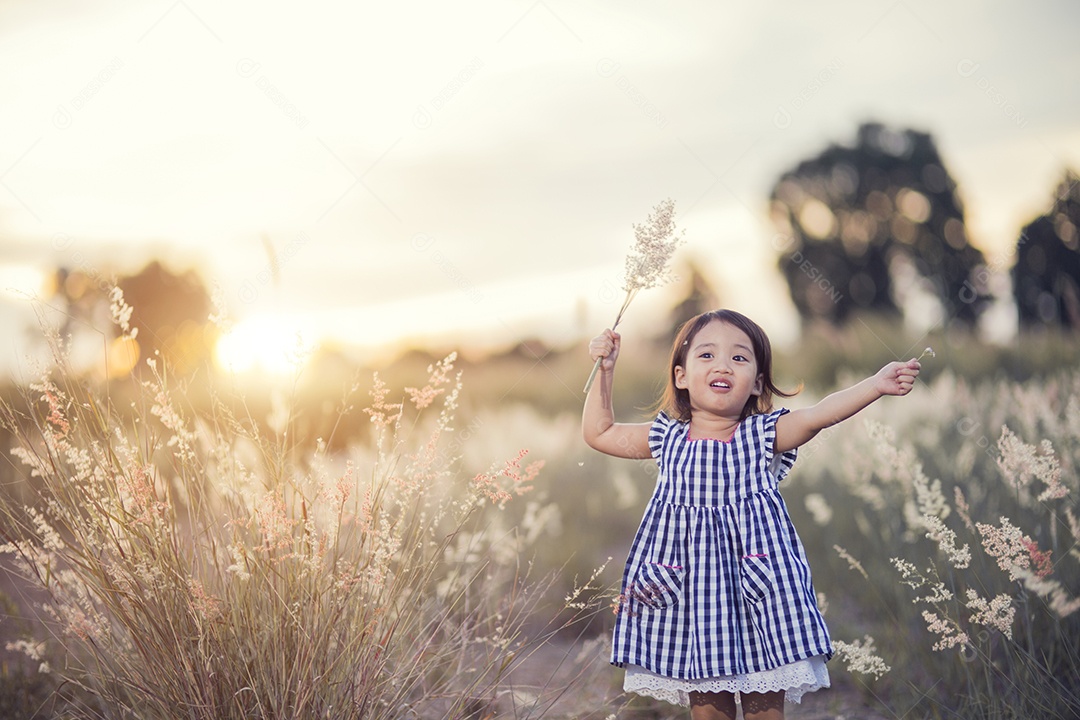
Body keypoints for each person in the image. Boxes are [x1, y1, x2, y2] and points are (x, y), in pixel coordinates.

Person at [582, 309, 920, 720]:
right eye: (706, 355)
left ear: (757, 382)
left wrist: (875, 385)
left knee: (764, 712)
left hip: (759, 597)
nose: (723, 364)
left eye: (739, 358)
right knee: (708, 712)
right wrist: (605, 369)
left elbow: (819, 414)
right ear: (681, 376)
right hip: (691, 599)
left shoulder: (761, 436)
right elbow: (599, 433)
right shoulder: (665, 438)